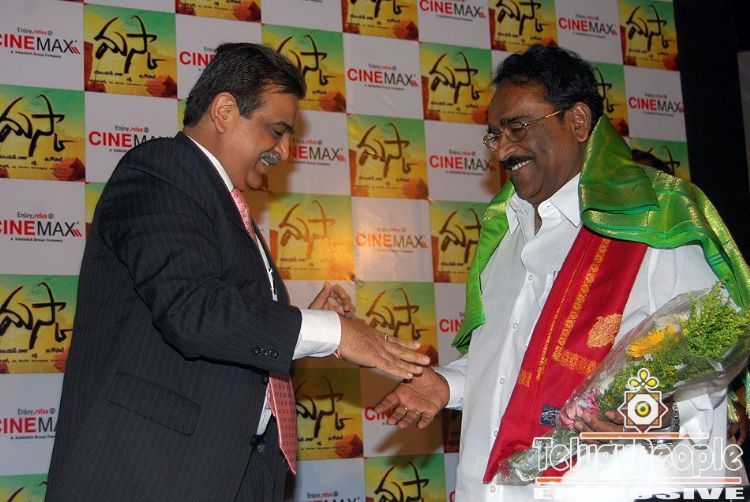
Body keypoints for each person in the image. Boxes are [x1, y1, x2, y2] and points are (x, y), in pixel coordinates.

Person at [46, 43, 430, 502]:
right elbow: (193, 311)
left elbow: (225, 339)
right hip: (147, 473)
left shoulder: (223, 202)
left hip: (226, 474)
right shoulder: (162, 168)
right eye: (276, 131)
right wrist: (335, 332)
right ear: (225, 111)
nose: (284, 151)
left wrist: (303, 324)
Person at [376, 44, 750, 500]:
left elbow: (710, 363)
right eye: (495, 136)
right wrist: (445, 384)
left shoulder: (655, 219)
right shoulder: (502, 233)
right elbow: (510, 364)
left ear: (577, 121)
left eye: (518, 128)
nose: (503, 150)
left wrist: (657, 416)